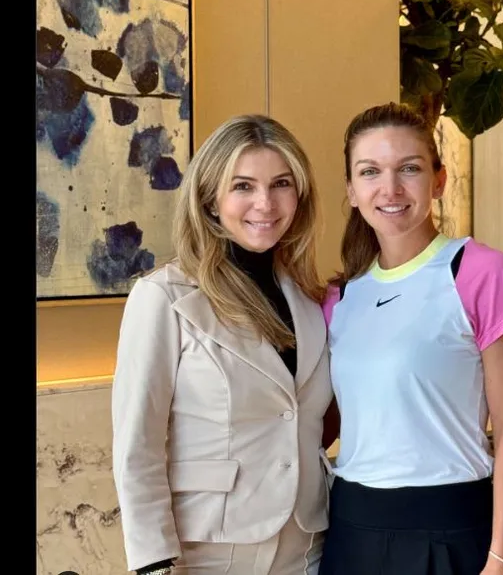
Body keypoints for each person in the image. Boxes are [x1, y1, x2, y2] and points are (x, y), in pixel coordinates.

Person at [318, 103, 503, 575]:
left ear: (439, 180)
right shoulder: (340, 297)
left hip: (449, 530)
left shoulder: (482, 273)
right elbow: (324, 424)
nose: (390, 188)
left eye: (409, 169)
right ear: (351, 190)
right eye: (370, 172)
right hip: (350, 532)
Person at [111, 115, 336, 575]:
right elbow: (138, 443)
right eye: (243, 186)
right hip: (207, 552)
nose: (265, 203)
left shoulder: (311, 298)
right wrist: (153, 563)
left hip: (308, 546)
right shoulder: (163, 297)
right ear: (211, 199)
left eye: (281, 184)